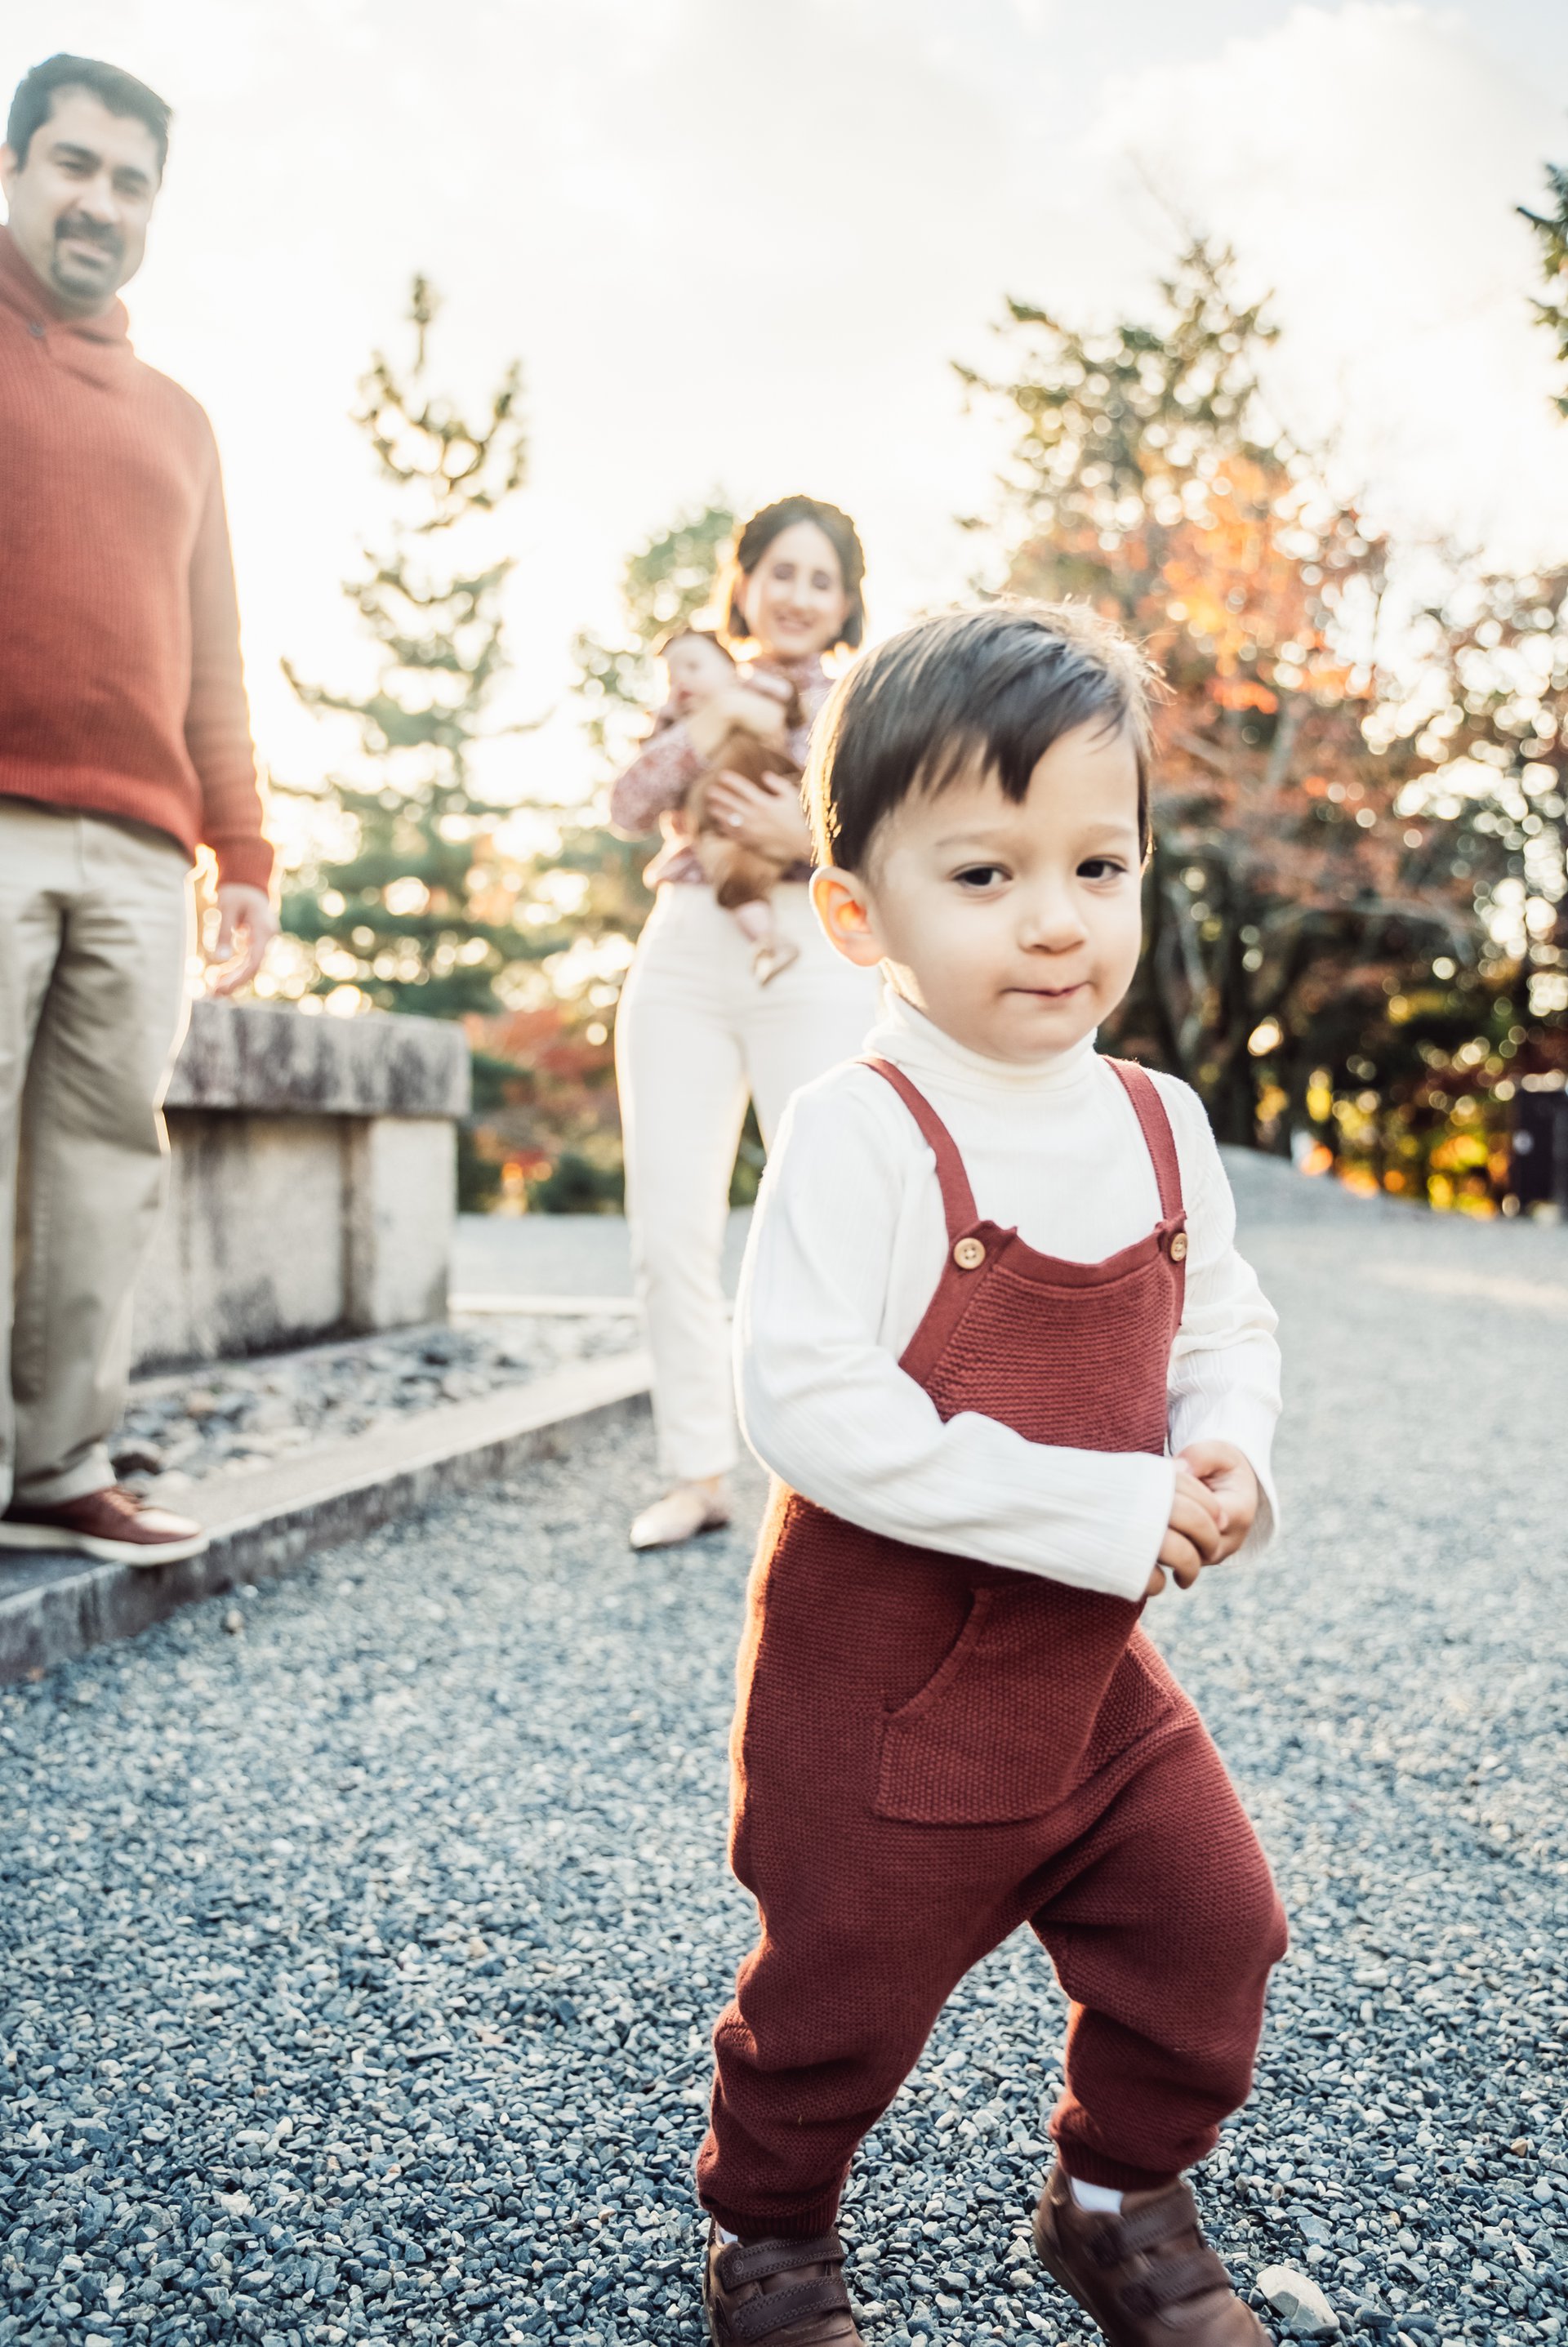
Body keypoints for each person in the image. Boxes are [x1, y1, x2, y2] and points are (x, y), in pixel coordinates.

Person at [695, 604, 1288, 2347]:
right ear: (859, 914)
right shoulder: (867, 1128)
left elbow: (1221, 1319)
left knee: (1214, 1932)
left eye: (1099, 864)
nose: (1055, 921)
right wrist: (1101, 1507)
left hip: (1090, 1686)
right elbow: (803, 1398)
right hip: (880, 1702)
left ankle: (1114, 2198)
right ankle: (773, 2234)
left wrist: (1228, 1440)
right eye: (986, 875)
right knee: (837, 2011)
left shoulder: (1162, 1123)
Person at [0, 56, 276, 1569]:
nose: (97, 200)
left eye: (128, 178)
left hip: (141, 845)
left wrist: (243, 844)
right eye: (71, 165)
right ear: (14, 167)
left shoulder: (183, 421)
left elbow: (214, 656)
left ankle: (56, 1467)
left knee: (105, 1162)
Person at [610, 495, 880, 1554]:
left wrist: (803, 831)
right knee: (668, 1225)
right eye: (781, 573)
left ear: (848, 597)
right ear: (746, 583)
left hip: (812, 951)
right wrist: (710, 717)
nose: (800, 596)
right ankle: (694, 1471)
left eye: (823, 578)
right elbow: (629, 804)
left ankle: (836, 1477)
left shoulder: (868, 693)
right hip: (684, 944)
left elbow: (892, 833)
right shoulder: (695, 680)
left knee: (821, 1211)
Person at [642, 627, 804, 986]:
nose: (682, 680)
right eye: (671, 678)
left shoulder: (758, 688)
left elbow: (788, 705)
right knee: (736, 887)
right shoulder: (677, 728)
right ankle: (768, 941)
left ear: (732, 669)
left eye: (694, 666)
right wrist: (678, 718)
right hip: (720, 838)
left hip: (782, 799)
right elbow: (631, 802)